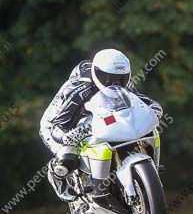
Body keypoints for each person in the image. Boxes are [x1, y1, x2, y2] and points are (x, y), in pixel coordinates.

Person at [39, 49, 163, 200]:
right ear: (97, 74)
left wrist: (155, 109)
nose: (115, 83)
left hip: (97, 119)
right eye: (108, 78)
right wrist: (69, 136)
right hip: (59, 123)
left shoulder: (126, 87)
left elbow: (144, 102)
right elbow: (58, 125)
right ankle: (57, 173)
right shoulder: (80, 90)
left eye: (120, 78)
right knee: (67, 155)